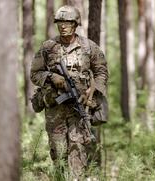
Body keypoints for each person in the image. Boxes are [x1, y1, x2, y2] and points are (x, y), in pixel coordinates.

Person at [30, 5, 108, 179]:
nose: (63, 26)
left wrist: (93, 89)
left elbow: (102, 71)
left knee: (78, 150)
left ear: (75, 24)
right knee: (58, 154)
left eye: (67, 22)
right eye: (60, 22)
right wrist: (52, 77)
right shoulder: (48, 47)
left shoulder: (89, 47)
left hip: (79, 107)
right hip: (55, 109)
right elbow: (34, 74)